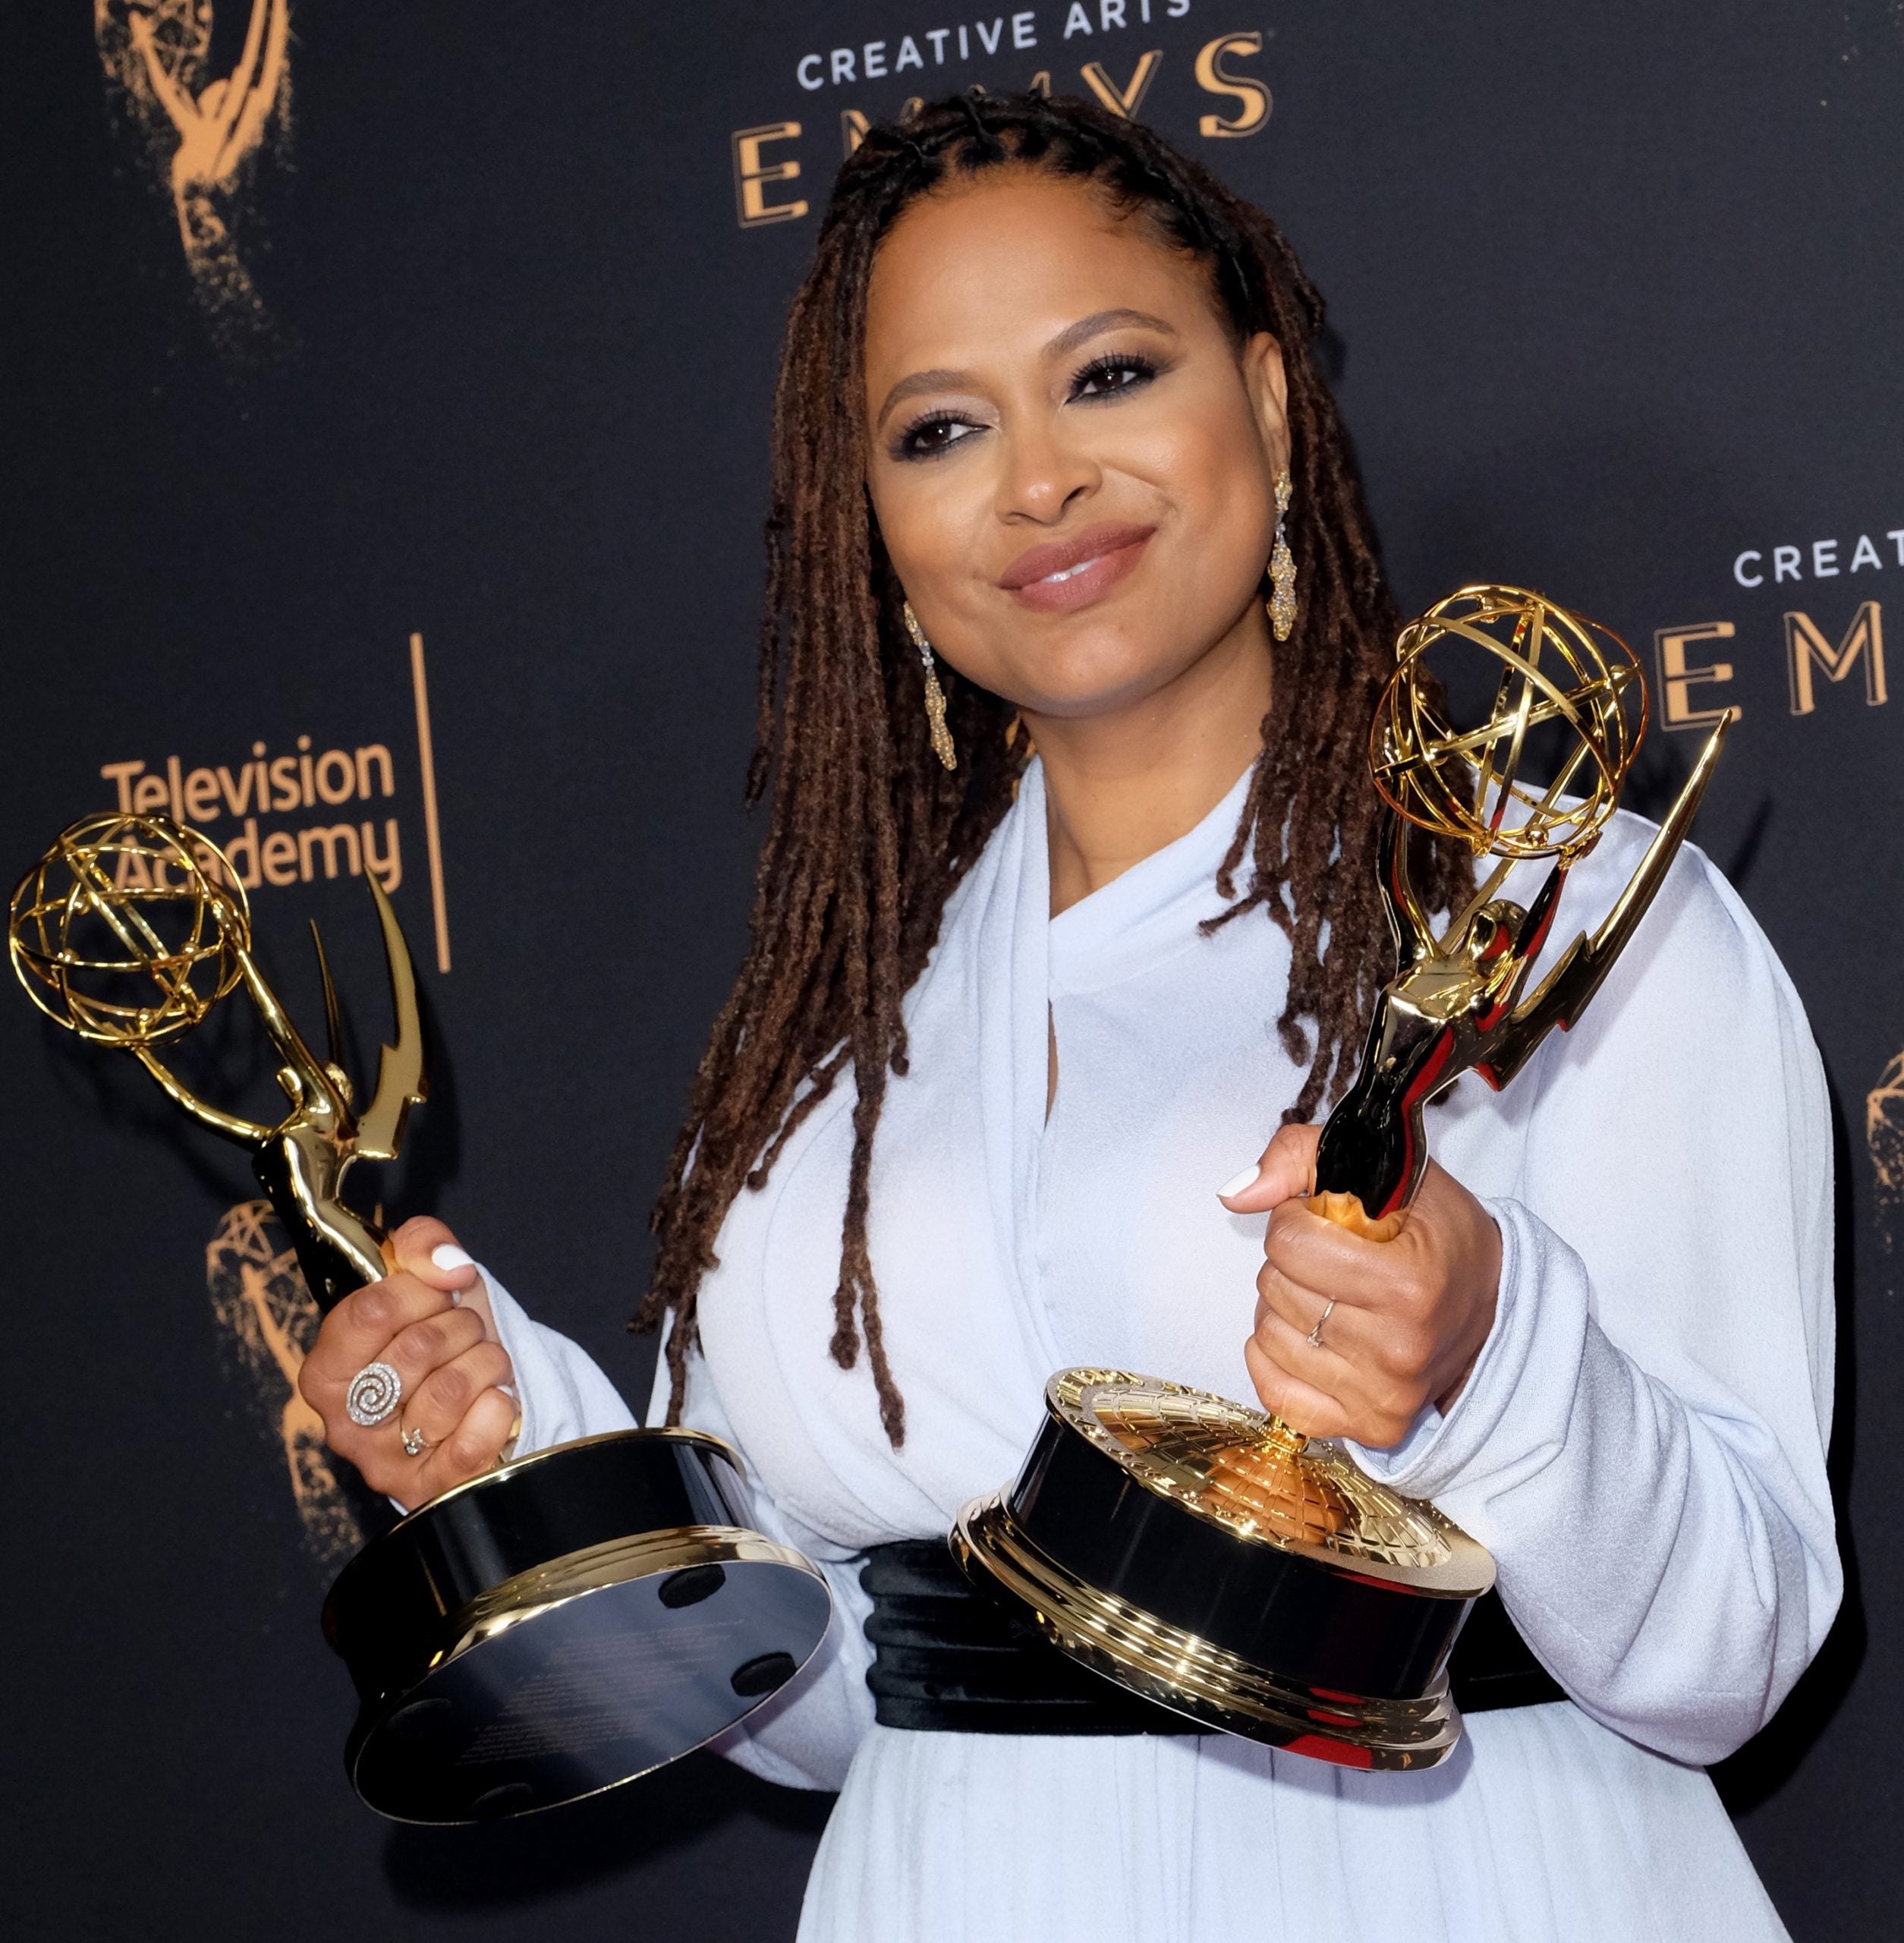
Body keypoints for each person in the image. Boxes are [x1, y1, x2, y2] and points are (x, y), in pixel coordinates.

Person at [298, 93, 1839, 1941]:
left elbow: (1730, 1651)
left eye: (1107, 375)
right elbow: (837, 1711)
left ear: (1267, 400)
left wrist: (1492, 1344)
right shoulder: (828, 1032)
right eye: (940, 428)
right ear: (873, 521)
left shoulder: (1558, 909)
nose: (1036, 481)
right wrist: (514, 1437)